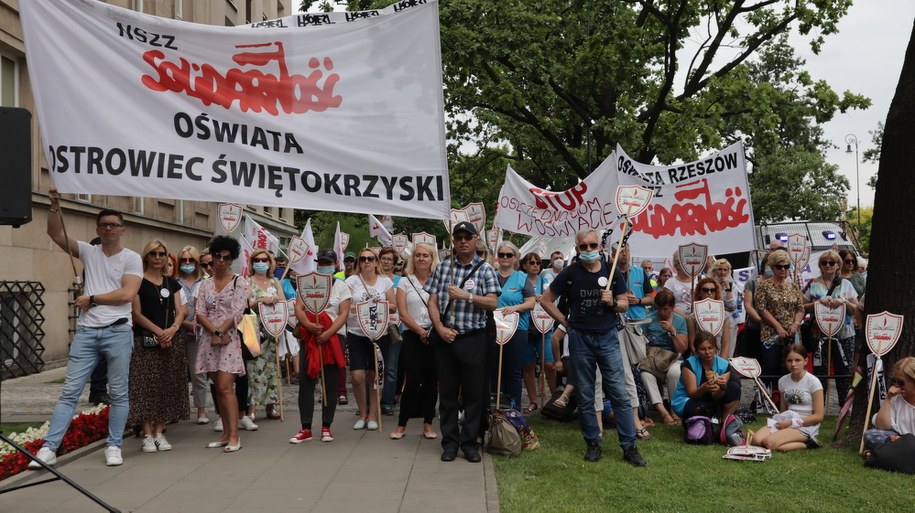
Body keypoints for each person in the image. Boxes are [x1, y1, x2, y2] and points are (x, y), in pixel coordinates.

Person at [31, 189, 142, 468]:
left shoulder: (131, 258)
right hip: (87, 332)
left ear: (122, 230)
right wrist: (55, 207)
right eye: (104, 224)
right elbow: (57, 235)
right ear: (97, 229)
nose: (108, 228)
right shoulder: (89, 252)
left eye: (113, 224)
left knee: (118, 393)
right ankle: (48, 448)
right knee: (69, 392)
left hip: (117, 330)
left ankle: (114, 444)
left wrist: (92, 298)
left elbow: (127, 294)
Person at [539, 228, 646, 466]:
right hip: (580, 339)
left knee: (619, 393)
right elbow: (545, 300)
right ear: (577, 249)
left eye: (592, 246)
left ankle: (629, 446)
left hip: (608, 337)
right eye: (583, 247)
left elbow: (624, 305)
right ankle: (593, 444)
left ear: (600, 247)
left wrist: (613, 303)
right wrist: (564, 321)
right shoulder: (569, 273)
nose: (588, 250)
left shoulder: (612, 271)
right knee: (586, 395)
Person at [425, 221, 500, 463]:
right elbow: (433, 301)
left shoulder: (485, 269)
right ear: (453, 241)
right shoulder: (443, 267)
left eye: (468, 237)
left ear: (476, 240)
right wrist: (439, 328)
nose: (463, 241)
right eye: (459, 237)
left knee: (474, 395)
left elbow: (492, 303)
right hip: (447, 338)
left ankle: (469, 443)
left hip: (474, 339)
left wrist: (466, 296)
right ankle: (449, 443)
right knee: (446, 394)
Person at [128, 240, 190, 453]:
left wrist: (172, 329)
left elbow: (181, 310)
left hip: (171, 339)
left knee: (167, 384)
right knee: (146, 386)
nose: (157, 257)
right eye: (153, 253)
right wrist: (158, 331)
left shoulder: (171, 283)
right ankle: (146, 433)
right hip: (145, 339)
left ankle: (159, 431)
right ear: (146, 256)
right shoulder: (137, 281)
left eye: (161, 254)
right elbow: (136, 313)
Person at [290, 249, 351, 444]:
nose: (324, 266)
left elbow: (343, 314)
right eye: (321, 263)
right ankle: (305, 427)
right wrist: (308, 325)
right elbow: (298, 308)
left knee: (330, 384)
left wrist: (327, 333)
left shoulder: (342, 287)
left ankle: (326, 426)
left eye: (328, 263)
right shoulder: (306, 284)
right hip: (310, 337)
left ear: (335, 265)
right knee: (307, 383)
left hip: (332, 338)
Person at [195, 236, 248, 453]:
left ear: (231, 260)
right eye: (217, 256)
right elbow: (199, 312)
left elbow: (237, 312)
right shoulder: (205, 284)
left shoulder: (239, 282)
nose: (221, 260)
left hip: (229, 340)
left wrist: (221, 332)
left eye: (226, 257)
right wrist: (214, 332)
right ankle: (225, 433)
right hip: (209, 339)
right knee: (217, 387)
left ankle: (235, 436)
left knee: (227, 387)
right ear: (212, 257)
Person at [390, 243, 440, 440]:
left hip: (435, 335)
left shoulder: (438, 280)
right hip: (412, 335)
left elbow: (442, 308)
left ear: (431, 259)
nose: (421, 258)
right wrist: (420, 331)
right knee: (411, 382)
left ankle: (428, 424)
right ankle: (402, 424)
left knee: (431, 382)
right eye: (418, 255)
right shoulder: (404, 282)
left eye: (425, 255)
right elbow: (402, 313)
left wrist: (431, 331)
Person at [345, 248, 396, 431]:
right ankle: (362, 412)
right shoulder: (352, 281)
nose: (366, 261)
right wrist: (359, 306)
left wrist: (380, 304)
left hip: (379, 333)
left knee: (376, 375)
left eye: (370, 258)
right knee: (358, 376)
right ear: (359, 262)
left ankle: (373, 413)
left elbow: (394, 306)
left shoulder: (385, 282)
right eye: (363, 258)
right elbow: (343, 305)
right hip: (357, 332)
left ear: (376, 262)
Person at [802, 250, 859, 403]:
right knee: (820, 370)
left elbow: (856, 310)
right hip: (819, 334)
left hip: (844, 334)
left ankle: (844, 405)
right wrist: (817, 303)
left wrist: (844, 301)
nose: (828, 265)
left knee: (844, 370)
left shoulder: (846, 285)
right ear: (820, 265)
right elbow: (802, 307)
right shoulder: (813, 284)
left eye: (831, 263)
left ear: (837, 265)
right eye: (824, 263)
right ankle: (820, 404)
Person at [751, 344, 824, 451]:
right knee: (756, 441)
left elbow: (818, 416)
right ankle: (787, 440)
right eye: (789, 361)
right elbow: (783, 410)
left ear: (806, 361)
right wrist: (782, 422)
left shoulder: (813, 382)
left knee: (768, 443)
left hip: (806, 425)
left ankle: (808, 443)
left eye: (797, 360)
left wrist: (791, 423)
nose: (793, 364)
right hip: (787, 421)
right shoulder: (783, 381)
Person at [493, 242, 536, 412]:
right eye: (501, 254)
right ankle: (494, 407)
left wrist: (514, 308)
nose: (504, 258)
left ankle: (514, 408)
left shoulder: (522, 278)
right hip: (493, 329)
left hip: (517, 329)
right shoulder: (491, 275)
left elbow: (531, 303)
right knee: (493, 370)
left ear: (515, 258)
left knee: (513, 371)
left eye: (508, 255)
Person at [245, 248, 286, 421]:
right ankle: (252, 408)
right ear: (252, 263)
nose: (261, 263)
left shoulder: (275, 282)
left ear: (270, 263)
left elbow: (284, 303)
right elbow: (245, 305)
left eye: (264, 260)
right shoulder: (247, 282)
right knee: (253, 369)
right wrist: (260, 301)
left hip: (273, 330)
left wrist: (276, 300)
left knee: (272, 368)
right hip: (254, 330)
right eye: (257, 260)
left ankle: (271, 406)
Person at [755, 250, 804, 386]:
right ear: (772, 267)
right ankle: (762, 398)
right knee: (771, 367)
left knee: (790, 369)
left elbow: (800, 308)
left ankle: (786, 399)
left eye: (786, 266)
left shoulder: (793, 285)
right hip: (771, 335)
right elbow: (761, 309)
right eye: (779, 266)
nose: (783, 269)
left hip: (792, 335)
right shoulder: (764, 286)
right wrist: (778, 327)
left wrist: (796, 324)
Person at [639, 289, 688, 425]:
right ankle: (663, 412)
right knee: (645, 375)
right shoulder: (649, 319)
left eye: (665, 309)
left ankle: (674, 409)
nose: (661, 312)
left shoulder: (680, 321)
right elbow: (641, 343)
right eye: (658, 309)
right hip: (653, 358)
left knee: (675, 372)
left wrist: (672, 331)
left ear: (672, 308)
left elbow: (682, 349)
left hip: (674, 358)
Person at [671, 331, 740, 425]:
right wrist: (704, 388)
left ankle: (725, 423)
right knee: (700, 407)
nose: (707, 352)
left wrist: (723, 387)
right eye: (703, 349)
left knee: (734, 388)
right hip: (688, 400)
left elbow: (716, 396)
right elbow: (692, 394)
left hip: (710, 400)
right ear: (697, 350)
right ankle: (708, 419)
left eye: (710, 348)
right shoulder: (689, 364)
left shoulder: (724, 365)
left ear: (716, 348)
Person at [177, 245, 210, 424]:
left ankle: (201, 409)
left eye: (191, 260)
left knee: (198, 372)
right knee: (176, 372)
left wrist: (198, 323)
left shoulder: (204, 282)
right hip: (177, 329)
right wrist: (183, 323)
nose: (187, 264)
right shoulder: (174, 282)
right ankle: (177, 409)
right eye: (184, 260)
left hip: (199, 332)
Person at [521, 252, 556, 409]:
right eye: (531, 262)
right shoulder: (521, 281)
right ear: (524, 265)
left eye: (538, 262)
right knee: (528, 365)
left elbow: (556, 300)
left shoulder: (547, 281)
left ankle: (555, 398)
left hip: (544, 327)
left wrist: (545, 298)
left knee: (549, 364)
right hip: (526, 326)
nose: (535, 265)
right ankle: (533, 401)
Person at [863, 357, 915, 454]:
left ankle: (884, 454)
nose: (896, 386)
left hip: (908, 442)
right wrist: (888, 398)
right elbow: (883, 426)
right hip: (897, 439)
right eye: (894, 381)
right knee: (870, 435)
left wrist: (904, 441)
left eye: (901, 382)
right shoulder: (895, 399)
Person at [378, 247, 402, 416]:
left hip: (394, 328)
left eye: (389, 259)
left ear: (394, 264)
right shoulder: (374, 279)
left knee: (391, 368)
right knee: (372, 367)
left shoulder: (401, 282)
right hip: (374, 328)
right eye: (383, 258)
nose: (386, 261)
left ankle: (387, 402)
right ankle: (370, 401)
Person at [710, 258, 742, 358]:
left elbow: (732, 305)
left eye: (725, 270)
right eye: (720, 269)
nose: (722, 272)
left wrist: (727, 287)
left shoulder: (732, 285)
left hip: (730, 321)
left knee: (728, 351)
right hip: (713, 320)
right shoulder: (709, 284)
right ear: (715, 270)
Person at [692, 277, 732, 357]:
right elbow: (692, 344)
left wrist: (721, 364)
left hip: (718, 358)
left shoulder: (725, 316)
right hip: (699, 359)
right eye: (705, 290)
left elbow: (725, 344)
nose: (709, 293)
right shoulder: (692, 317)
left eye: (712, 290)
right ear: (699, 292)